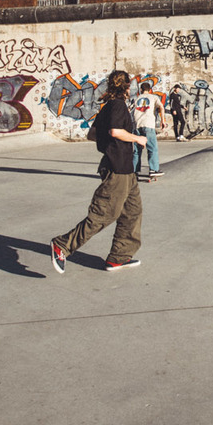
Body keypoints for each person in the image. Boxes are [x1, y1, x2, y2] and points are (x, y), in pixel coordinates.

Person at [50, 70, 148, 273]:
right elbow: (115, 131)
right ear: (126, 87)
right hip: (117, 169)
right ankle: (63, 245)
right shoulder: (118, 105)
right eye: (130, 86)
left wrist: (108, 145)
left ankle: (118, 257)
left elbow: (92, 134)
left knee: (132, 212)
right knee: (104, 214)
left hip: (126, 170)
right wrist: (137, 139)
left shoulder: (108, 107)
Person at [131, 81, 164, 177]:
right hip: (148, 125)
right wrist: (163, 120)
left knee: (137, 150)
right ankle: (153, 169)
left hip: (137, 125)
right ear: (150, 90)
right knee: (152, 148)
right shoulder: (153, 97)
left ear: (140, 90)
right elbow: (161, 106)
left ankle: (134, 172)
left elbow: (130, 111)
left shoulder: (137, 98)